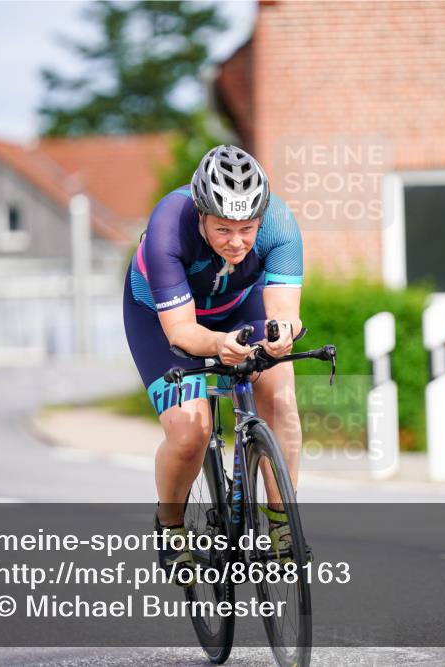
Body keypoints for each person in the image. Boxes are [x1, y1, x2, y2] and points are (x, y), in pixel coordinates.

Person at [123, 145, 304, 576]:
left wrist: (280, 337)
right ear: (202, 214)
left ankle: (281, 526)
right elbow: (182, 333)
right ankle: (169, 526)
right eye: (223, 229)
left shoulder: (280, 224)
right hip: (162, 319)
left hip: (240, 309)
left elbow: (284, 312)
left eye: (247, 229)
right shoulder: (169, 225)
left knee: (280, 402)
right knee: (191, 431)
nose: (238, 242)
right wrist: (219, 344)